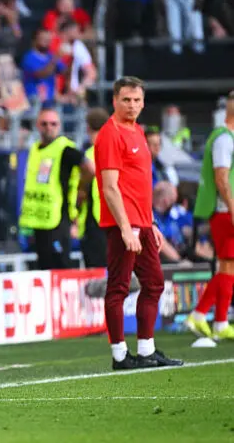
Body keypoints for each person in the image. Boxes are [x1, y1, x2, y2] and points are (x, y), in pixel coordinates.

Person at [94, 76, 183, 369]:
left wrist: (151, 222)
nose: (132, 105)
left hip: (142, 223)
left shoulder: (138, 131)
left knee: (154, 283)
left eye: (136, 100)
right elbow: (109, 187)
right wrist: (124, 227)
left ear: (143, 102)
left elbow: (140, 184)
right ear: (114, 101)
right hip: (124, 224)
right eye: (126, 100)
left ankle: (146, 350)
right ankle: (120, 356)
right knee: (119, 287)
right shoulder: (110, 134)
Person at [18, 108, 94, 269]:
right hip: (39, 220)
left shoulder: (65, 148)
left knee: (60, 266)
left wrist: (81, 190)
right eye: (44, 124)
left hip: (58, 220)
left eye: (53, 124)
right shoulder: (35, 149)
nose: (49, 127)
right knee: (43, 267)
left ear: (59, 126)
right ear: (37, 126)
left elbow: (90, 168)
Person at [186, 91, 234, 341]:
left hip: (226, 209)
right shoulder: (224, 139)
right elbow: (221, 177)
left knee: (229, 266)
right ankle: (205, 315)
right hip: (226, 210)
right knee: (228, 265)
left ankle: (215, 320)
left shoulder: (227, 137)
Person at [78, 108, 110, 268]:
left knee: (96, 273)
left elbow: (81, 191)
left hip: (94, 223)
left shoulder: (89, 155)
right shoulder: (115, 152)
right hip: (113, 220)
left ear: (88, 128)